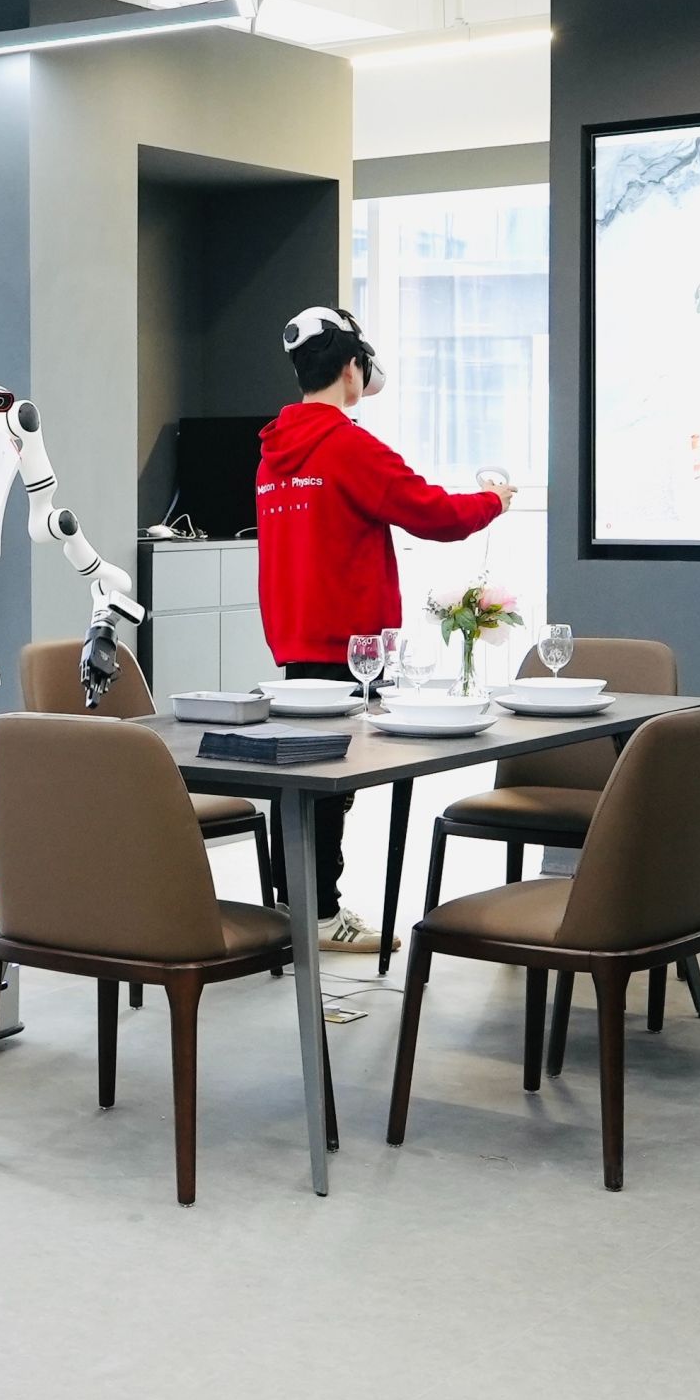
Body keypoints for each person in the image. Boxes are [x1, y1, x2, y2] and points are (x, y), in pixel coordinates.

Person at [255, 306, 513, 954]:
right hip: (350, 648)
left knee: (303, 781)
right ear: (352, 369)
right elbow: (434, 513)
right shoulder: (347, 446)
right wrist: (495, 501)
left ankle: (298, 909)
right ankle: (319, 916)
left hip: (295, 642)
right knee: (328, 787)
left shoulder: (273, 453)